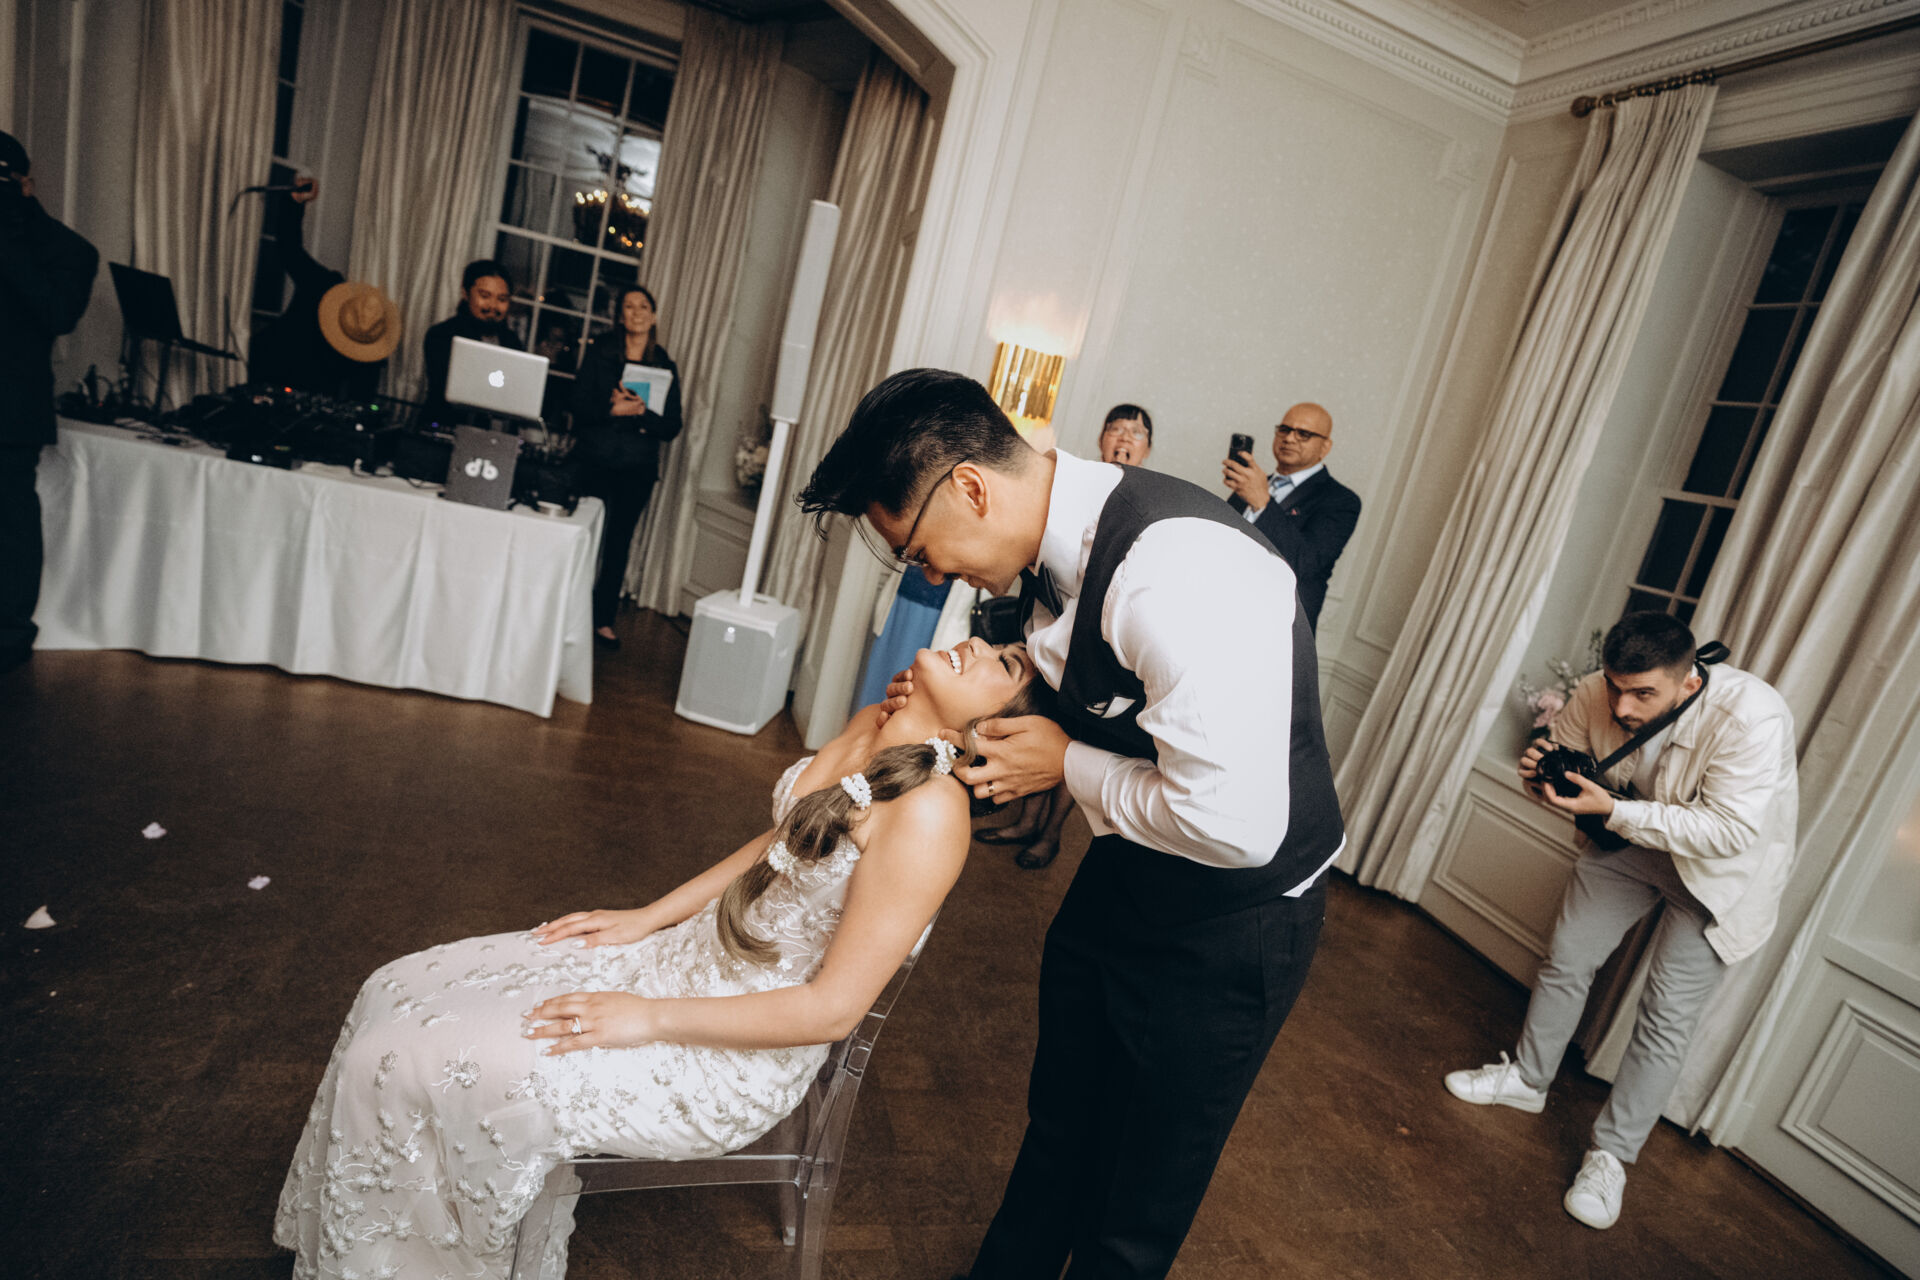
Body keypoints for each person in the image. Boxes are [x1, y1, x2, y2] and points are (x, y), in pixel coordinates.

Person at [275, 636, 1053, 1278]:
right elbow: (780, 844)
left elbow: (831, 1011)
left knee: (408, 1060)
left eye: (1004, 664)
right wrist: (647, 918)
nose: (978, 643)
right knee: (393, 988)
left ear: (997, 732)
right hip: (678, 960)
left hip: (727, 1050)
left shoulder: (930, 817)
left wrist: (646, 1018)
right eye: (995, 640)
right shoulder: (871, 723)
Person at [798, 369, 1345, 1279]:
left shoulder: (1175, 577)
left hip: (1234, 919)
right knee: (1057, 1136)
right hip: (1128, 870)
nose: (930, 576)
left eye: (922, 551)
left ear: (971, 488)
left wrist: (1065, 764)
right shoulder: (1052, 542)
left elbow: (1235, 826)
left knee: (1133, 1208)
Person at [1445, 611, 1797, 1230]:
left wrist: (1612, 809)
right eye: (1614, 686)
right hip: (1627, 843)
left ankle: (1611, 1157)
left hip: (1717, 874)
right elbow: (1571, 767)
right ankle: (1527, 1080)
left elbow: (1730, 831)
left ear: (1689, 682)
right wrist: (1541, 781)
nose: (1621, 706)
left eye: (1642, 694)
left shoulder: (1754, 717)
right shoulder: (1596, 690)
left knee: (1665, 1016)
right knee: (1566, 958)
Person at [979, 402, 1158, 869]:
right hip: (1046, 637)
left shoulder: (1144, 510)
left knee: (1077, 743)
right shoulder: (1068, 491)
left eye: (1135, 433)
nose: (1124, 438)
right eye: (1115, 428)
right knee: (1040, 724)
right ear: (1101, 438)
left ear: (1147, 448)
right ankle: (1024, 822)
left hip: (1097, 656)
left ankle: (1050, 835)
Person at [0, 130, 98, 674]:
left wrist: (7, 237)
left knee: (10, 523)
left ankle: (11, 633)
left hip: (10, 410)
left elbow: (56, 315)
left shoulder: (68, 250)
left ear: (26, 184)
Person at [570, 284, 682, 651]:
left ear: (654, 316)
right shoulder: (600, 351)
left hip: (636, 467)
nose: (636, 313)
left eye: (643, 306)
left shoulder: (664, 364)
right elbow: (577, 407)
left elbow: (673, 426)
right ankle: (568, 611)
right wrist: (611, 409)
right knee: (583, 535)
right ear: (620, 316)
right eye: (629, 306)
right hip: (594, 459)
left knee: (618, 544)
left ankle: (602, 619)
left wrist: (641, 413)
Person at [249, 177, 399, 398]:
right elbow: (290, 249)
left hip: (313, 394)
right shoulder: (322, 284)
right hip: (266, 370)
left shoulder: (366, 351)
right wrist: (294, 202)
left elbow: (361, 398)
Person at [1221, 402, 1362, 632]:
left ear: (1325, 447)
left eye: (1303, 434)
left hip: (1277, 626)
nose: (1289, 438)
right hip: (1223, 608)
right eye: (1284, 430)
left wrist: (1262, 503)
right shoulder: (1252, 484)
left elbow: (1306, 562)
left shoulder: (1342, 500)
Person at [419, 258, 521, 427]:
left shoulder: (513, 342)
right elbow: (443, 389)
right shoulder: (442, 335)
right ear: (465, 294)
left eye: (502, 299)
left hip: (493, 436)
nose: (493, 306)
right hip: (446, 428)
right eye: (485, 296)